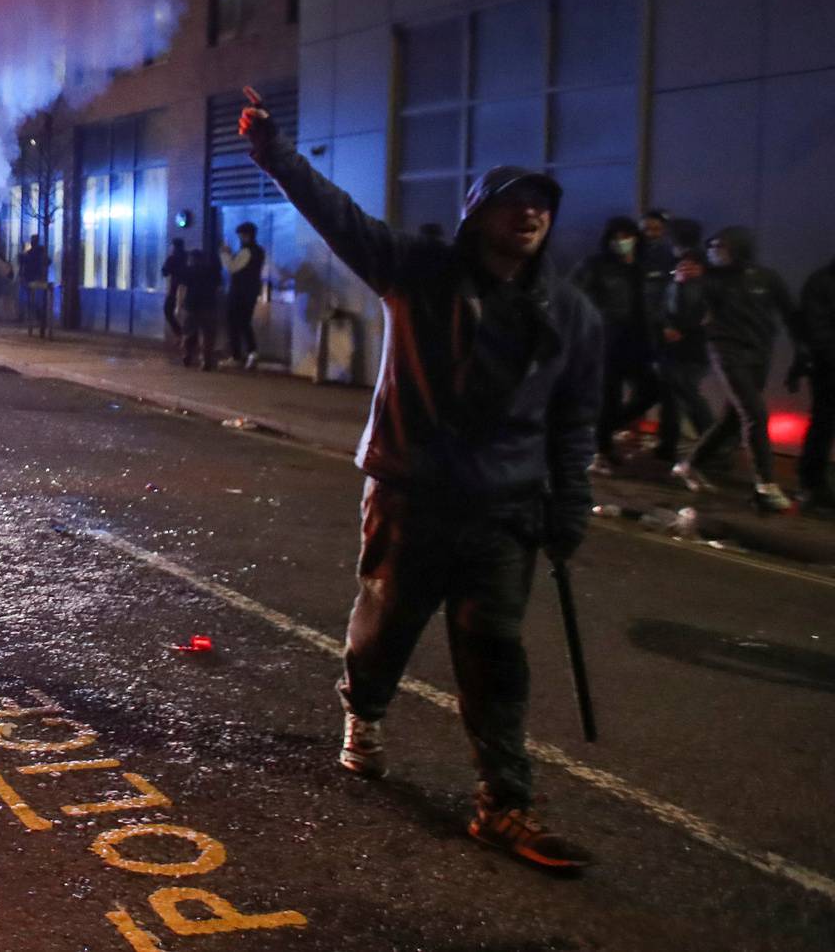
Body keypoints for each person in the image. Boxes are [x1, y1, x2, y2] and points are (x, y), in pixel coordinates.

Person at [240, 88, 601, 871]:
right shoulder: (420, 272)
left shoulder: (571, 315)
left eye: (541, 206)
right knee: (389, 621)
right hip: (412, 493)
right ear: (479, 214)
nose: (530, 217)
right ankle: (363, 710)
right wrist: (277, 157)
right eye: (514, 205)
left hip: (507, 511)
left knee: (494, 651)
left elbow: (575, 420)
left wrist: (571, 504)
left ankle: (505, 804)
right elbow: (342, 219)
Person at [672, 228, 801, 513]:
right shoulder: (709, 279)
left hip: (758, 353)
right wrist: (684, 285)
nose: (714, 251)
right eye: (712, 246)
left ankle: (689, 464)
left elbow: (790, 313)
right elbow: (688, 315)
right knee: (754, 413)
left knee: (732, 417)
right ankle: (765, 485)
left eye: (721, 246)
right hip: (727, 351)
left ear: (738, 247)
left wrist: (802, 353)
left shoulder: (765, 278)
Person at [573, 217, 661, 470]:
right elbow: (573, 295)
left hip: (639, 340)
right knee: (609, 396)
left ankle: (603, 431)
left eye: (626, 236)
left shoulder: (643, 267)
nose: (621, 242)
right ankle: (601, 449)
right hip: (606, 340)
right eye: (615, 237)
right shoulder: (595, 265)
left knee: (652, 390)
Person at [655, 220, 715, 463]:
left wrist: (675, 328)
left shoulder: (691, 266)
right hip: (687, 342)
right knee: (678, 393)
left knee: (685, 391)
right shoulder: (701, 265)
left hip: (688, 344)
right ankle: (670, 445)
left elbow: (688, 308)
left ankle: (713, 443)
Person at [796, 253, 835, 515]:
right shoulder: (823, 282)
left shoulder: (822, 280)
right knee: (823, 421)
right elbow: (816, 329)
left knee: (823, 421)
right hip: (827, 365)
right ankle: (812, 484)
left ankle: (814, 482)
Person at [223, 223, 265, 367]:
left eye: (240, 235)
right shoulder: (259, 251)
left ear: (246, 235)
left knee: (233, 322)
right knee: (244, 322)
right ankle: (252, 352)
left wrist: (225, 254)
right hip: (250, 292)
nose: (240, 238)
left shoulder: (247, 251)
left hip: (239, 293)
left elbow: (232, 267)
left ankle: (236, 356)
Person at [175, 243, 223, 370]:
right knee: (208, 335)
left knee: (188, 333)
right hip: (209, 306)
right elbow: (218, 289)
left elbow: (181, 289)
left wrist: (178, 306)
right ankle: (206, 361)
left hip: (191, 306)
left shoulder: (188, 271)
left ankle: (187, 355)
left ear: (191, 259)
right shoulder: (213, 272)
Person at [18, 236, 53, 339]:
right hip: (40, 280)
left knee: (33, 302)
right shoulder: (40, 253)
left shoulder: (29, 254)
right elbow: (48, 262)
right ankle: (40, 323)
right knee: (39, 303)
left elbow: (23, 265)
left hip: (32, 280)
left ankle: (36, 322)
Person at [161, 239, 190, 337]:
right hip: (189, 289)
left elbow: (165, 272)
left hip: (175, 289)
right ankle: (187, 336)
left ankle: (181, 334)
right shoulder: (188, 257)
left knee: (168, 311)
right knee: (188, 314)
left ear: (173, 247)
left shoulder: (172, 258)